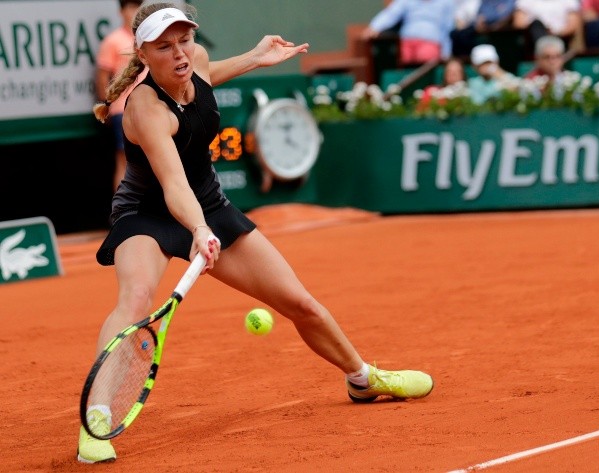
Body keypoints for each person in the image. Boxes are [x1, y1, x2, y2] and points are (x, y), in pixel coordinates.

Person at [80, 2, 434, 464]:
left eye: (185, 40)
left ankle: (363, 378)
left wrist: (254, 58)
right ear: (143, 55)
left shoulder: (195, 60)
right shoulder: (145, 109)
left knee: (300, 303)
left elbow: (206, 75)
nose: (180, 53)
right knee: (136, 299)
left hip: (209, 204)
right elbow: (173, 186)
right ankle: (96, 418)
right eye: (164, 47)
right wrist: (198, 228)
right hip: (147, 212)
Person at [95, 0, 147, 192]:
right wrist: (108, 106)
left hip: (150, 108)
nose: (135, 12)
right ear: (121, 11)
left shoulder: (148, 40)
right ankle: (123, 208)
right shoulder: (112, 40)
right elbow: (102, 78)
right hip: (122, 110)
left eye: (138, 7)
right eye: (130, 7)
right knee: (125, 161)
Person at [361, 0, 456, 65]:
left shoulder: (446, 2)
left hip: (431, 42)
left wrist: (446, 52)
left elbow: (448, 29)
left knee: (424, 63)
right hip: (406, 42)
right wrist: (374, 27)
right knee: (399, 61)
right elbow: (391, 14)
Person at [512, 0, 585, 53]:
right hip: (532, 39)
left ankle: (547, 48)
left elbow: (572, 26)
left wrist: (555, 33)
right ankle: (545, 48)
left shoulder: (569, 1)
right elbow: (519, 23)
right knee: (536, 24)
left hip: (560, 37)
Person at [451, 0, 517, 57]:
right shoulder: (485, 2)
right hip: (482, 32)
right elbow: (481, 16)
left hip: (503, 35)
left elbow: (509, 17)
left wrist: (494, 27)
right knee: (456, 34)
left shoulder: (509, 1)